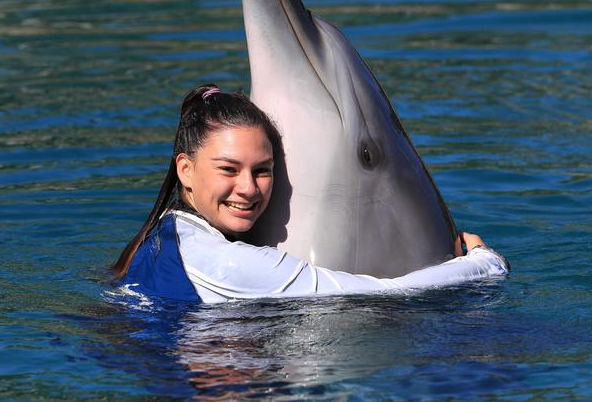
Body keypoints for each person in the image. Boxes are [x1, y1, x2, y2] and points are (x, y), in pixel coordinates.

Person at [112, 84, 509, 303]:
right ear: (186, 169)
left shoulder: (160, 240)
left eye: (263, 170)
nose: (248, 188)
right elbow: (380, 295)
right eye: (228, 169)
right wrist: (484, 265)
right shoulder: (225, 264)